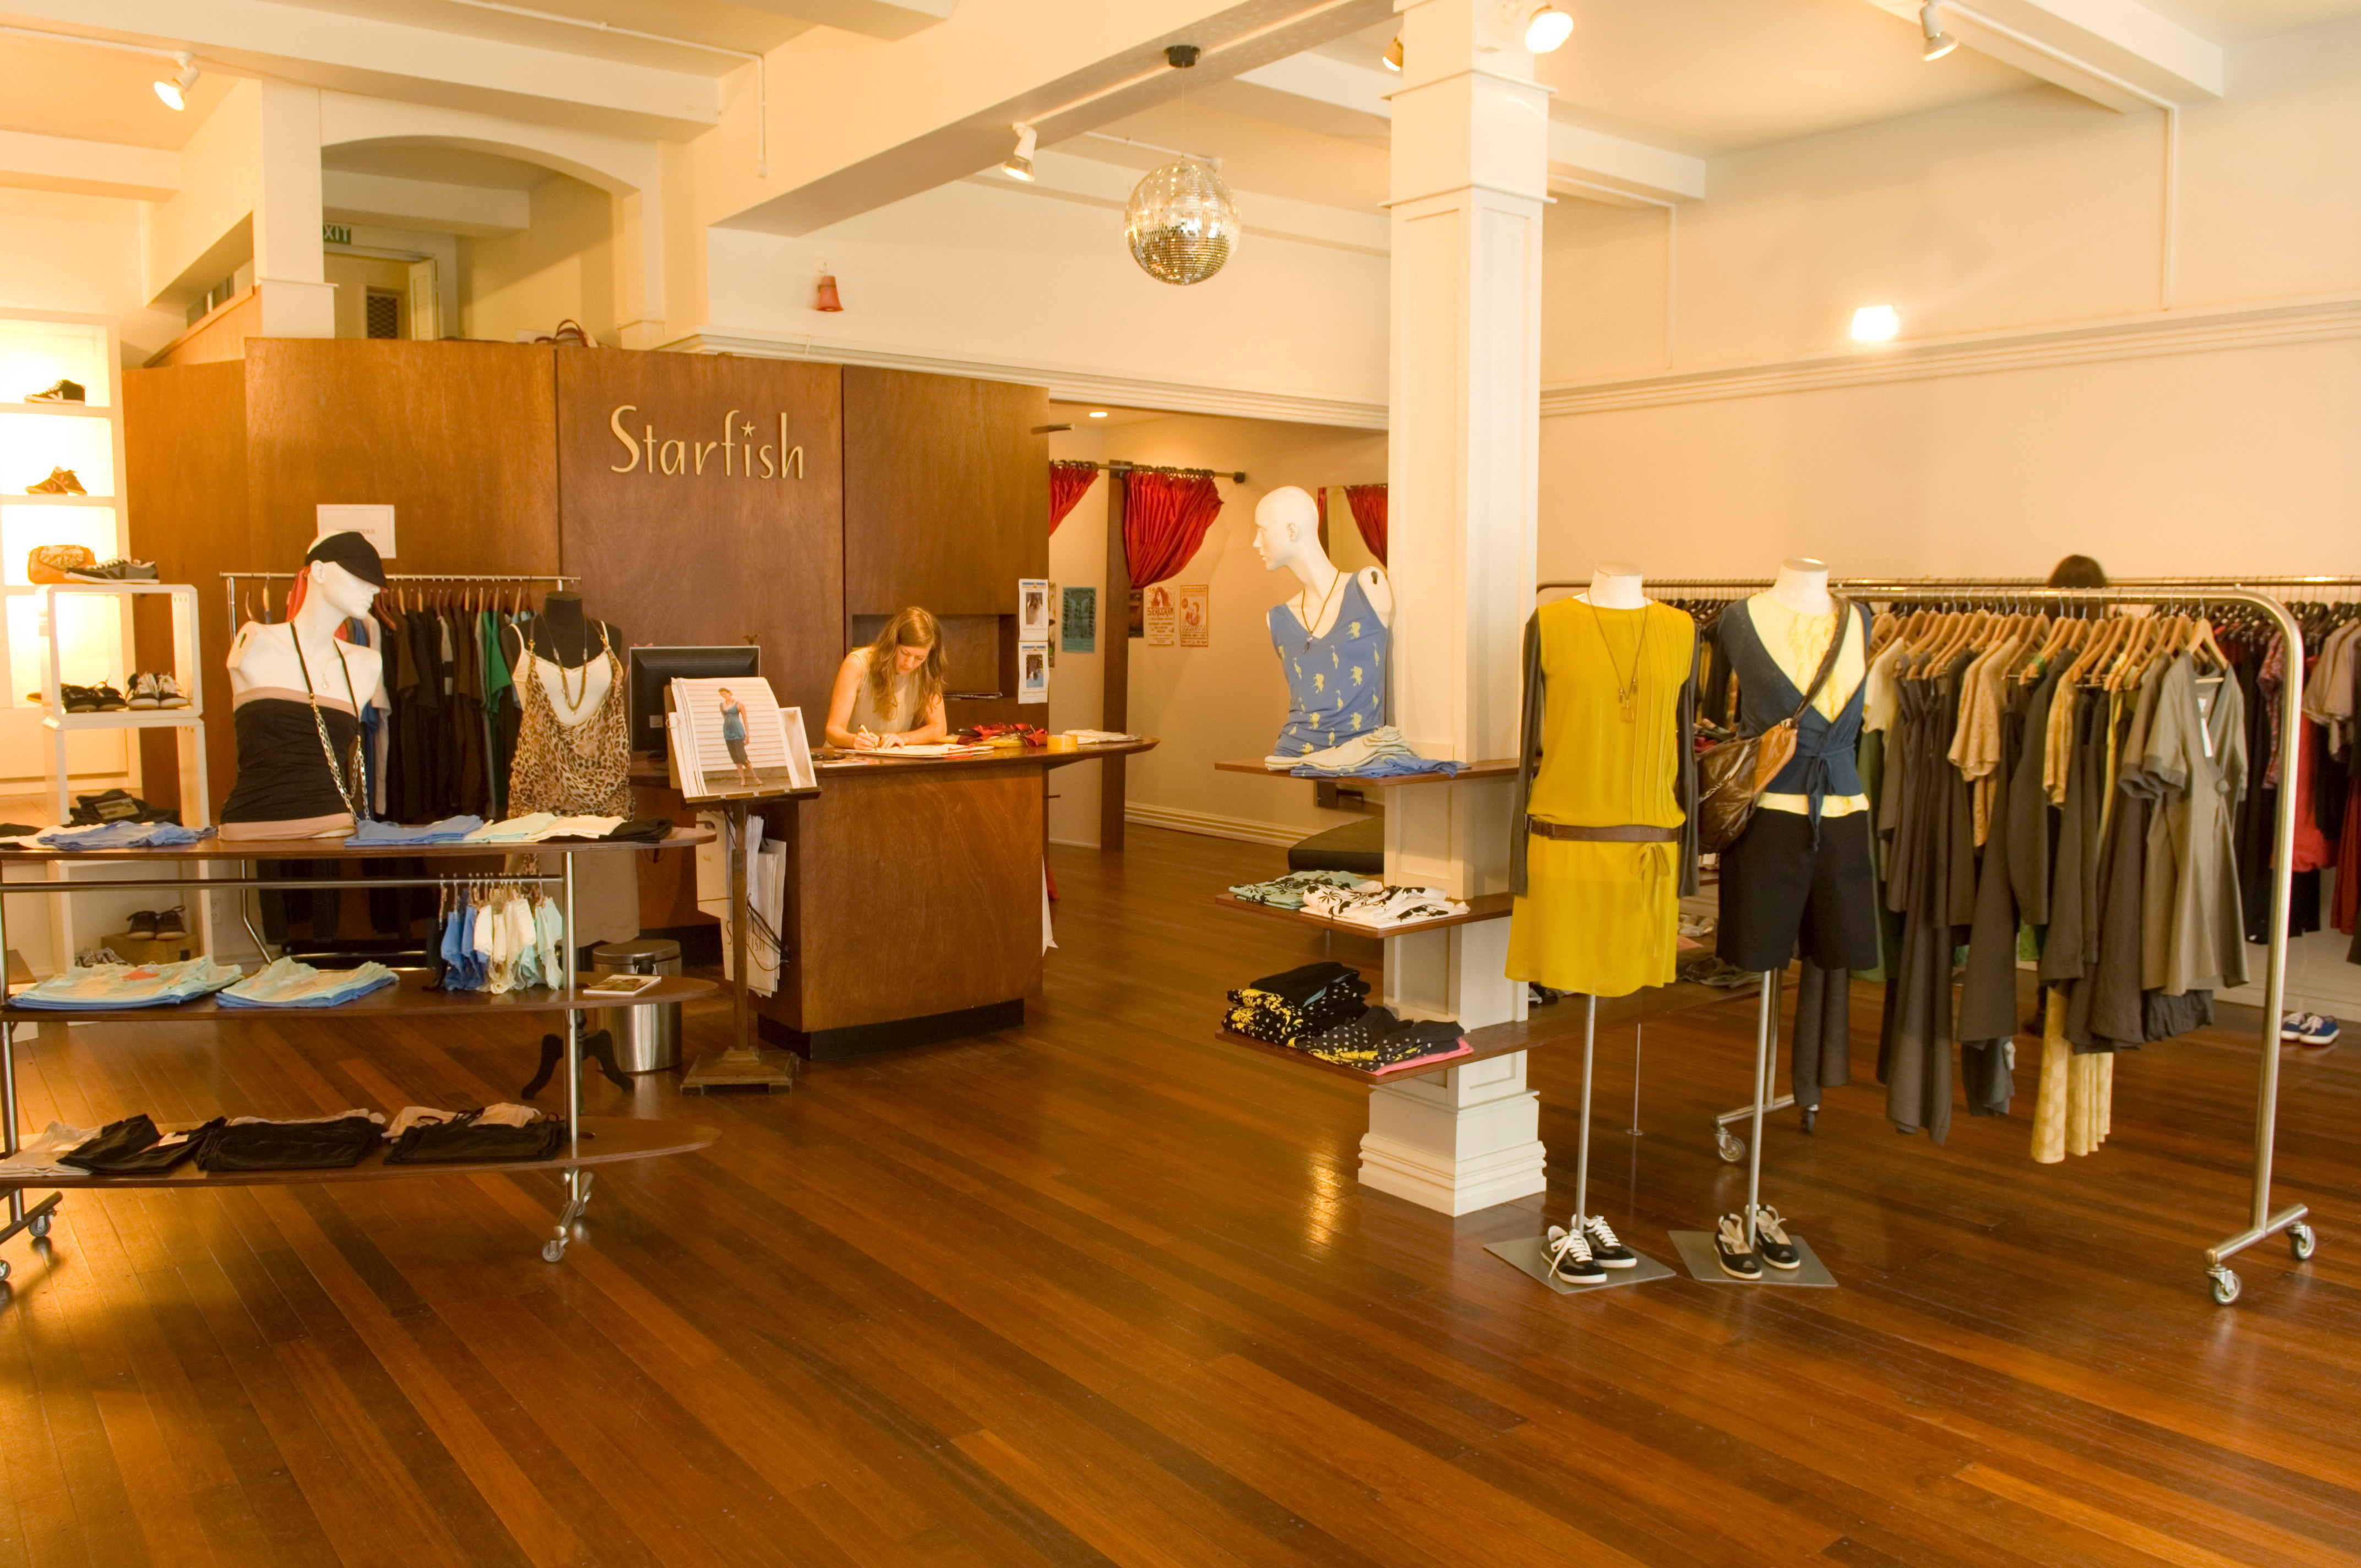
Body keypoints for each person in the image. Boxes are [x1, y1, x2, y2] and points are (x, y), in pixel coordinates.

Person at [825, 606, 949, 749]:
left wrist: (903, 738)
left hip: (889, 759)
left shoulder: (926, 670)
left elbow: (939, 728)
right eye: (905, 653)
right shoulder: (856, 664)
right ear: (892, 644)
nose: (909, 664)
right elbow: (833, 730)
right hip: (848, 758)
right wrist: (853, 741)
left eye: (919, 658)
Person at [718, 687, 757, 785]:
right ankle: (743, 779)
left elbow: (745, 720)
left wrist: (748, 735)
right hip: (728, 733)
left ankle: (755, 777)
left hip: (738, 732)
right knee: (735, 757)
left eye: (725, 694)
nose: (724, 696)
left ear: (730, 693)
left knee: (742, 756)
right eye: (722, 694)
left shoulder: (739, 704)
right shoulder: (721, 705)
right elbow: (726, 718)